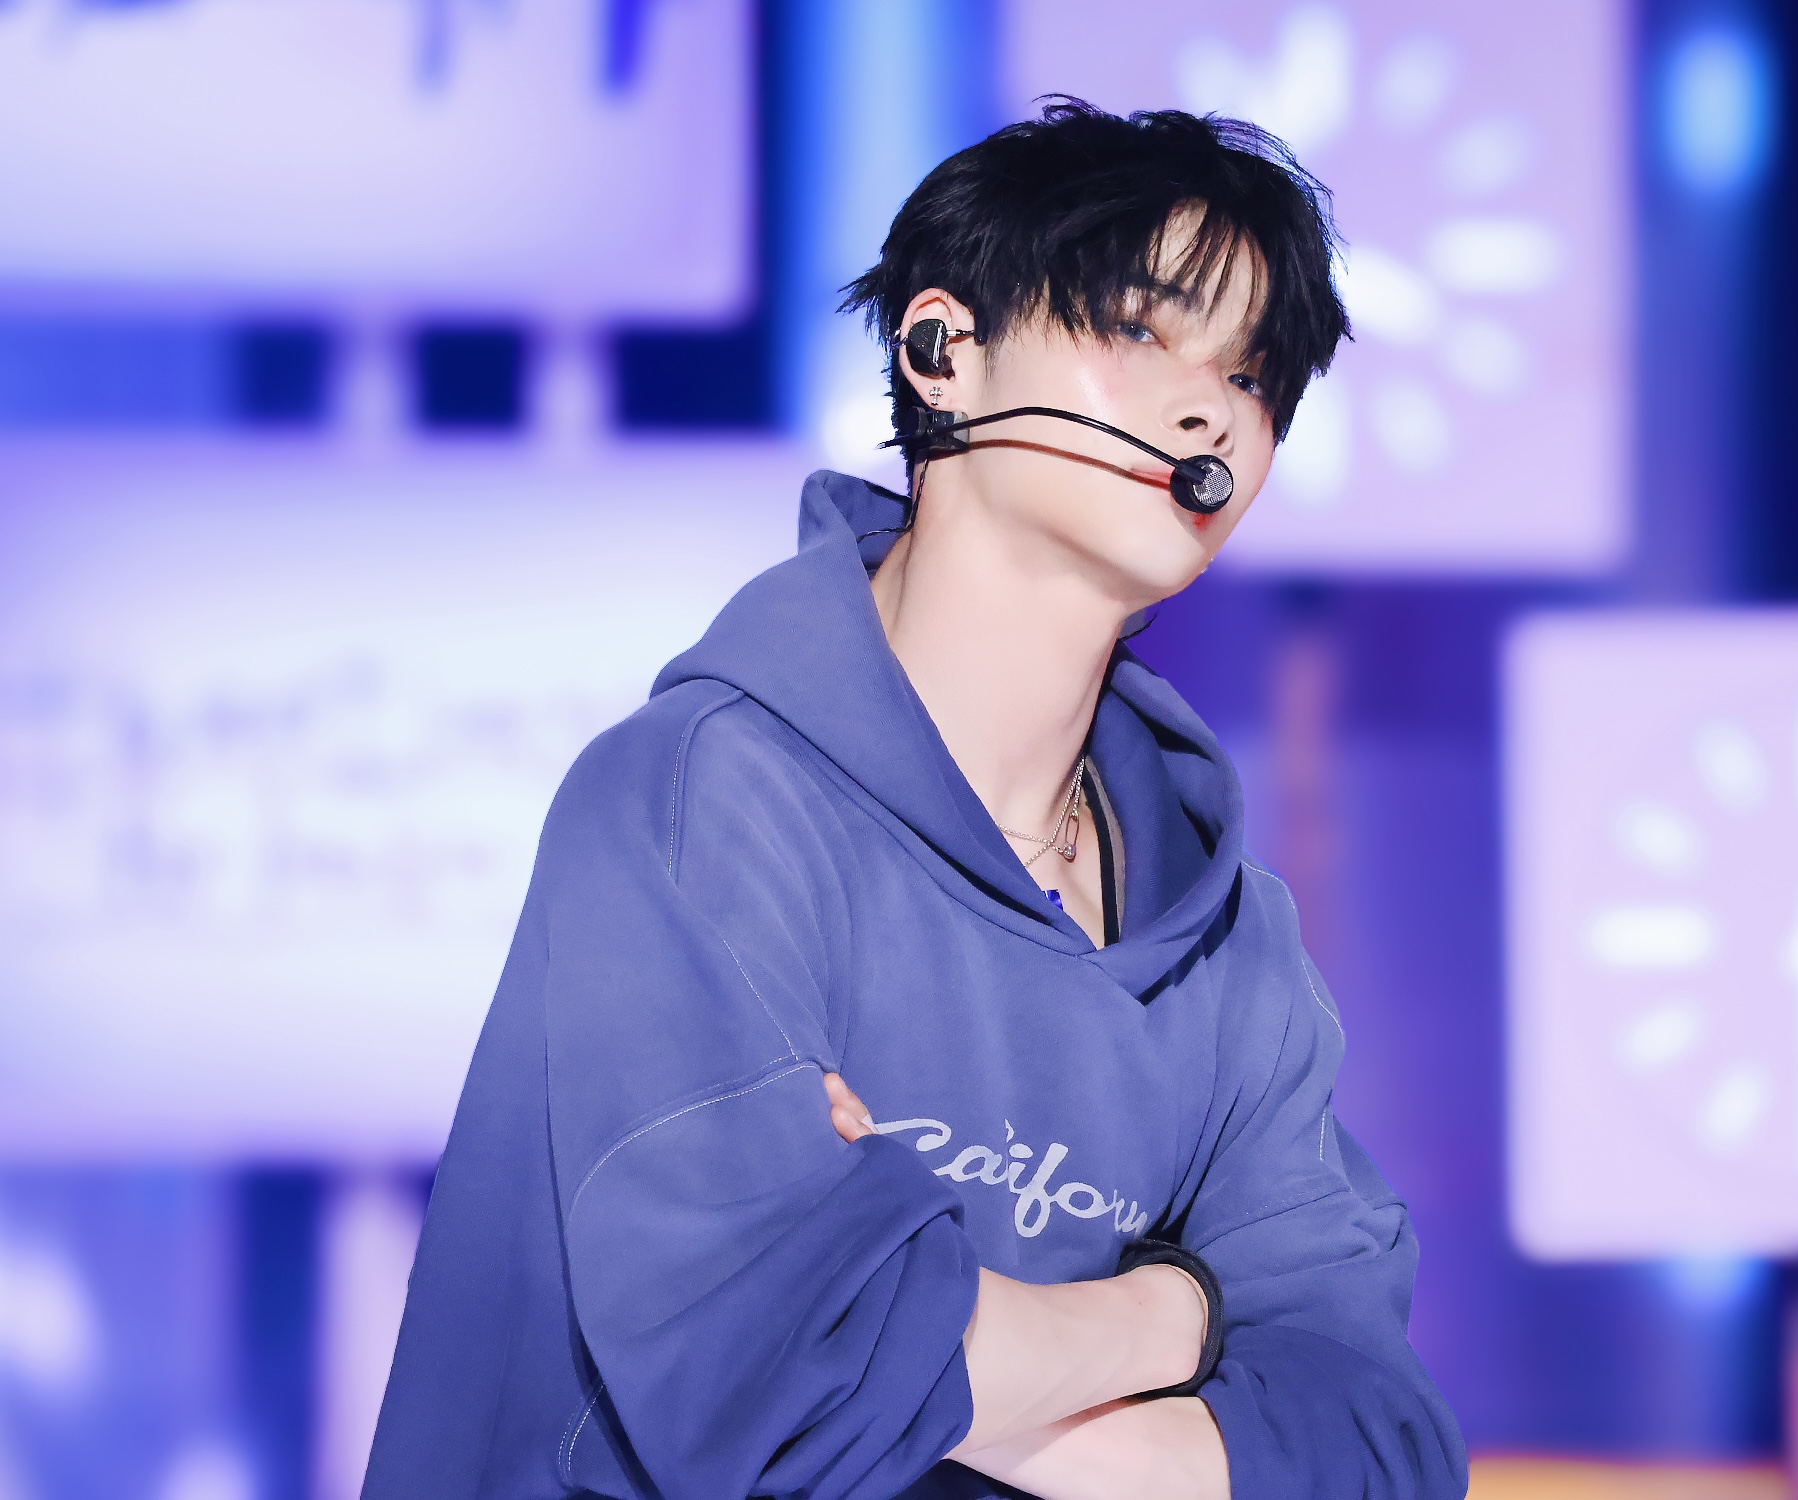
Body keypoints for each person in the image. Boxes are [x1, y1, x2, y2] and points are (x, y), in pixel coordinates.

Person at [363, 99, 1467, 1500]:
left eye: (1250, 377)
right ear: (942, 352)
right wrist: (1176, 1310)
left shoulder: (1226, 940)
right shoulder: (700, 802)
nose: (1210, 411)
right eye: (1140, 331)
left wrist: (947, 1345)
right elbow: (778, 1389)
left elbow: (1379, 1450)